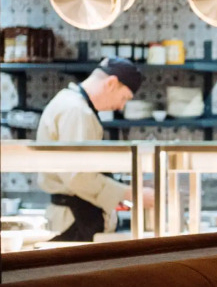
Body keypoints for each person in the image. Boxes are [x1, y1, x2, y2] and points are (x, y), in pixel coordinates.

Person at [36, 57, 143, 242]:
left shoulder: (71, 103)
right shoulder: (77, 111)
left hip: (75, 218)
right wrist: (129, 194)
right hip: (73, 221)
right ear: (111, 83)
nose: (121, 106)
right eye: (124, 97)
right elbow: (79, 177)